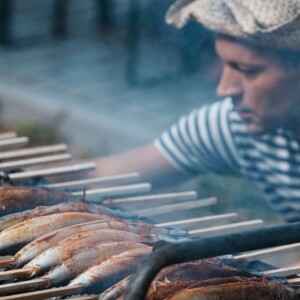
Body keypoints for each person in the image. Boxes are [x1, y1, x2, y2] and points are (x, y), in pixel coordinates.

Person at [93, 0, 300, 223]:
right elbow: (103, 177)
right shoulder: (236, 125)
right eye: (224, 64)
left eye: (248, 71)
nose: (224, 89)